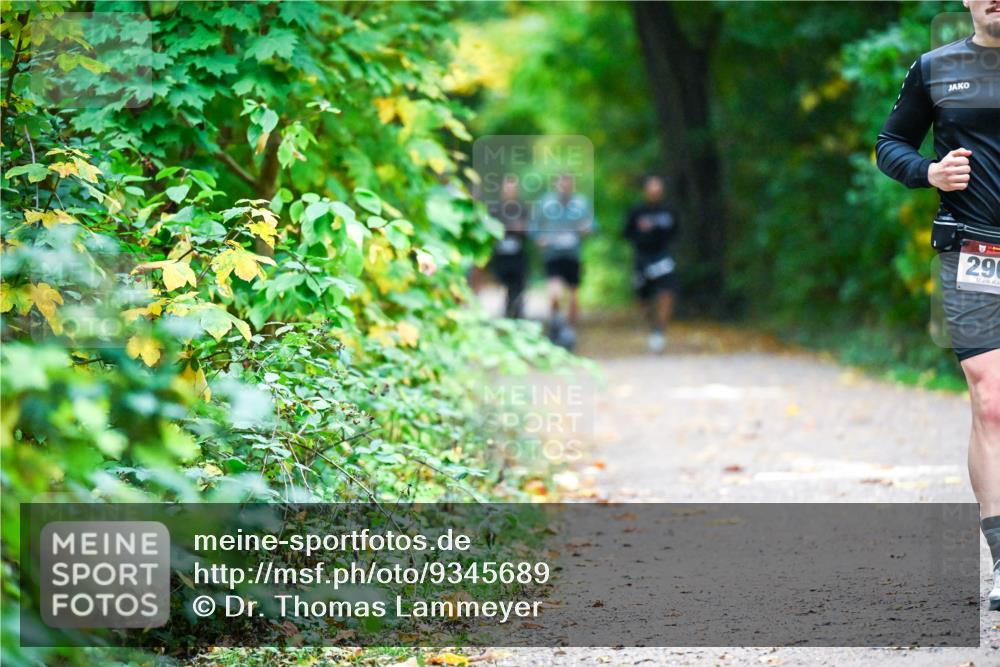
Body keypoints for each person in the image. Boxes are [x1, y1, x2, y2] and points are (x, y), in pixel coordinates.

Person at [875, 0, 1000, 608]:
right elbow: (889, 143)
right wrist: (928, 172)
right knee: (992, 398)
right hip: (977, 253)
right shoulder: (936, 67)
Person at [531, 173, 594, 350]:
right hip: (553, 255)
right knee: (554, 293)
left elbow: (592, 225)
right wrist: (539, 238)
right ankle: (556, 324)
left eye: (567, 184)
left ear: (572, 185)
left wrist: (587, 229)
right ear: (556, 185)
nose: (564, 187)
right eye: (561, 183)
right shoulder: (545, 202)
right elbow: (534, 226)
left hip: (573, 255)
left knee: (573, 294)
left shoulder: (581, 203)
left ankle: (570, 332)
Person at [624, 174, 679, 353]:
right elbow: (626, 233)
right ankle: (653, 325)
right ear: (646, 190)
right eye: (651, 187)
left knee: (667, 294)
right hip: (642, 258)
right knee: (643, 300)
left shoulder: (669, 211)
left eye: (658, 187)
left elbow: (677, 232)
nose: (655, 190)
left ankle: (660, 331)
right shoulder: (636, 211)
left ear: (662, 190)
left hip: (662, 257)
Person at [487, 175, 529, 318]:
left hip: (517, 255)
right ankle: (508, 311)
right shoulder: (495, 209)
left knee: (517, 286)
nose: (510, 191)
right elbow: (490, 230)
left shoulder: (522, 209)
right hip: (501, 255)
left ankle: (516, 312)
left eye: (513, 188)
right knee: (504, 285)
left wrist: (520, 229)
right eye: (508, 188)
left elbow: (528, 229)